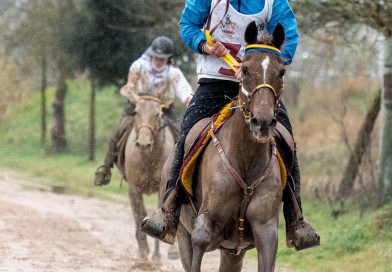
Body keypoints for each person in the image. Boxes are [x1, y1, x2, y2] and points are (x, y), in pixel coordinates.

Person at [142, 0, 320, 250]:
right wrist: (204, 45)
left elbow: (288, 36)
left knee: (286, 137)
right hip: (214, 82)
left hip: (257, 84)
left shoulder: (273, 2)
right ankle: (169, 210)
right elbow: (188, 26)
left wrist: (259, 62)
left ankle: (296, 221)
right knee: (188, 133)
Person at [94, 36, 193, 186]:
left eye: (162, 58)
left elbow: (184, 90)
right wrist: (139, 101)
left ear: (168, 59)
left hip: (164, 108)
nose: (158, 61)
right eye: (156, 57)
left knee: (181, 135)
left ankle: (183, 176)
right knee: (119, 132)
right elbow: (130, 87)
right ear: (151, 54)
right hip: (138, 105)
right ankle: (106, 168)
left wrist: (189, 100)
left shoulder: (174, 73)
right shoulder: (138, 66)